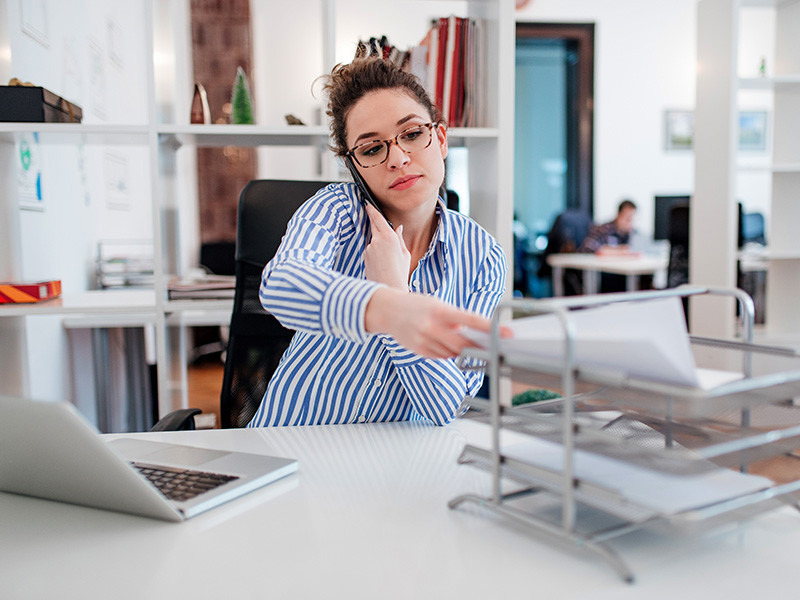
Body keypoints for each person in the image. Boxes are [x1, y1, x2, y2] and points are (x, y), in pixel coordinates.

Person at [247, 56, 507, 427]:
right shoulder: (335, 210)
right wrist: (388, 308)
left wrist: (396, 291)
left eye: (413, 134)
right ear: (354, 166)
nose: (399, 159)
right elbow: (282, 285)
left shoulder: (483, 258)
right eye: (372, 149)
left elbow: (449, 406)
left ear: (441, 138)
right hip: (292, 445)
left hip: (392, 463)